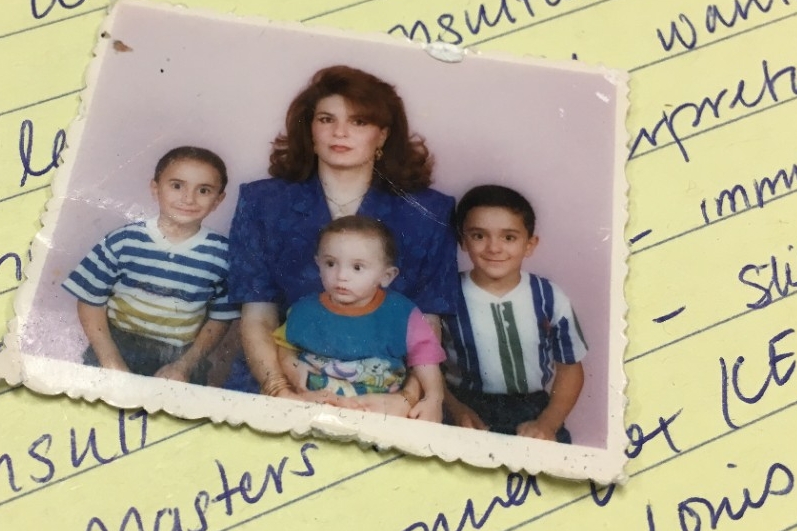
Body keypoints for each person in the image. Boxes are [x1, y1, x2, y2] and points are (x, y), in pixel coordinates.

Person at [226, 64, 458, 412]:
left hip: (387, 397)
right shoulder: (262, 202)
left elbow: (426, 320)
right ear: (310, 130)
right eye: (326, 119)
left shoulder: (429, 212)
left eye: (359, 122)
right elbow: (258, 314)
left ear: (382, 135)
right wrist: (280, 392)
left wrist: (407, 399)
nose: (340, 132)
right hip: (279, 383)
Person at [63, 146, 239, 381]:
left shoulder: (223, 255)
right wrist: (111, 362)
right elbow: (90, 301)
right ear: (155, 189)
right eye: (177, 186)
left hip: (181, 356)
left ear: (218, 200)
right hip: (117, 345)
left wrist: (184, 366)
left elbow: (220, 318)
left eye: (204, 190)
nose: (188, 198)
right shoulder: (123, 240)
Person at [444, 184, 587, 443]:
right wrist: (456, 410)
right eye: (479, 236)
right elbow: (425, 366)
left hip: (533, 409)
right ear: (462, 240)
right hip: (464, 407)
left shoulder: (549, 296)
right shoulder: (445, 295)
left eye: (508, 237)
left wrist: (548, 423)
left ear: (530, 244)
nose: (494, 248)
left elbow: (570, 370)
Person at [274, 216, 446, 420]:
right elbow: (285, 344)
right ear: (317, 264)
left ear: (387, 276)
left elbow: (426, 357)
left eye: (357, 267)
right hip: (316, 405)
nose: (341, 276)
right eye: (330, 264)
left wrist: (434, 398)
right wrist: (291, 366)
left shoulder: (402, 313)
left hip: (379, 410)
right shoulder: (305, 309)